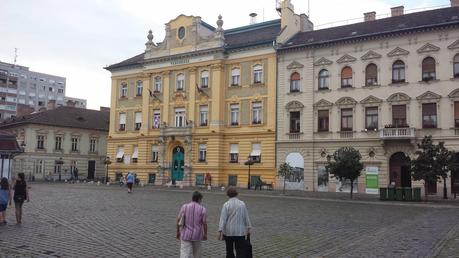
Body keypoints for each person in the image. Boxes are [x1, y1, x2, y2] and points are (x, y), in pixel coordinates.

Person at [218, 187, 252, 258]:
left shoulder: (226, 205)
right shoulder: (242, 204)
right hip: (240, 232)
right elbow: (246, 216)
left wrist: (220, 231)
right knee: (240, 251)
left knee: (229, 250)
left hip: (228, 232)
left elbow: (223, 219)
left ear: (228, 195)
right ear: (237, 194)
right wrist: (249, 228)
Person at [177, 191, 207, 258]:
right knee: (197, 254)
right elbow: (204, 223)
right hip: (197, 235)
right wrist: (205, 234)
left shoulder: (184, 206)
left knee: (184, 254)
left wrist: (178, 232)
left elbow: (178, 220)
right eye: (201, 199)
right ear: (199, 199)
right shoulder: (202, 209)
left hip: (185, 234)